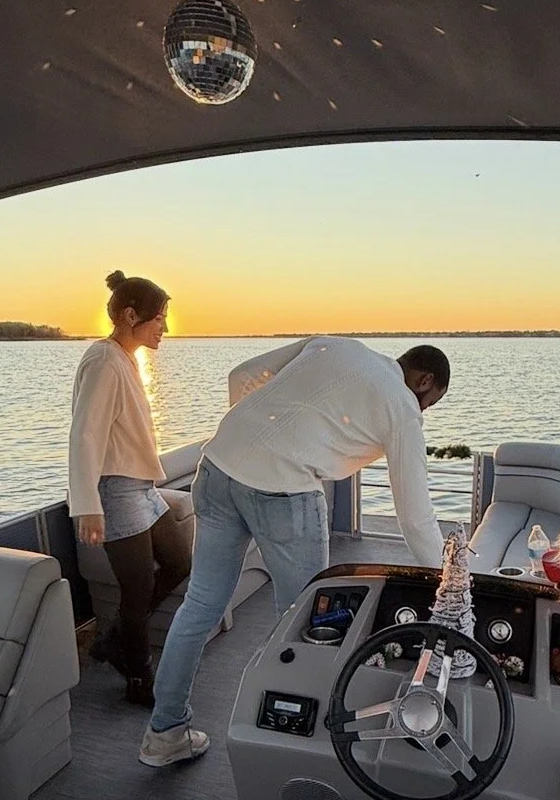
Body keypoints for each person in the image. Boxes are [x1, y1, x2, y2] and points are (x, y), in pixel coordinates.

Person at [139, 337, 450, 767]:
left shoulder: (335, 345)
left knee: (200, 606)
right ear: (424, 380)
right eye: (430, 403)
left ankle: (164, 734)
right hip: (284, 493)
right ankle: (299, 746)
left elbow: (241, 376)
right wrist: (448, 581)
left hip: (217, 469)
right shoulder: (401, 404)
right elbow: (415, 517)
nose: (424, 413)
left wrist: (255, 447)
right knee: (308, 622)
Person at [68, 271, 190, 706]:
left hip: (141, 486)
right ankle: (138, 677)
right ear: (130, 315)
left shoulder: (125, 357)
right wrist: (87, 505)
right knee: (137, 589)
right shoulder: (103, 361)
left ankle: (112, 640)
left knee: (179, 560)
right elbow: (86, 434)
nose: (165, 328)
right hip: (115, 490)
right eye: (159, 318)